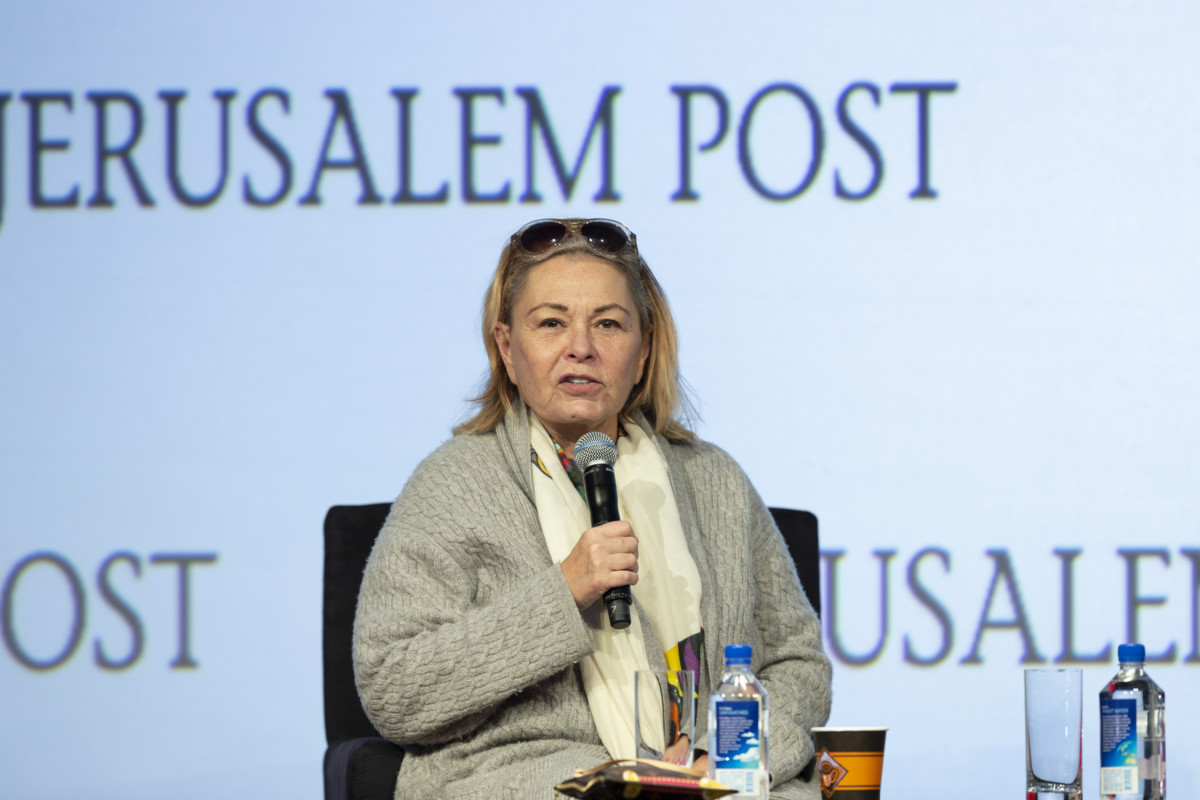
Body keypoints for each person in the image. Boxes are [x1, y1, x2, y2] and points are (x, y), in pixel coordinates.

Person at [353, 218, 831, 799]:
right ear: (507, 347)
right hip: (530, 777)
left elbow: (798, 665)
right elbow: (395, 690)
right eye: (552, 323)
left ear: (644, 347)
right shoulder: (450, 486)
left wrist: (720, 751)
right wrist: (565, 591)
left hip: (713, 778)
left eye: (608, 324)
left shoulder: (715, 480)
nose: (581, 346)